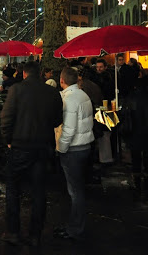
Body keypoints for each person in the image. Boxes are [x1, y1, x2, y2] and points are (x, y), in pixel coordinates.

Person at [0, 61, 63, 246]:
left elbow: (6, 117)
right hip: (42, 146)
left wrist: (8, 140)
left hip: (20, 145)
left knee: (13, 188)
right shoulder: (51, 92)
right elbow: (58, 118)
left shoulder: (16, 90)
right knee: (39, 191)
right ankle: (35, 234)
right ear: (41, 74)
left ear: (24, 74)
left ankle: (13, 231)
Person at [55, 67, 95, 241]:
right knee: (77, 189)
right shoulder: (83, 95)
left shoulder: (70, 100)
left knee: (75, 192)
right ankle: (74, 224)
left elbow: (69, 130)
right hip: (84, 146)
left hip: (73, 149)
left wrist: (61, 148)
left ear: (62, 80)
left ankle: (75, 228)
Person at [121, 78, 148, 201]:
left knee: (136, 158)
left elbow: (124, 115)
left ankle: (137, 183)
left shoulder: (129, 99)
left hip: (134, 133)